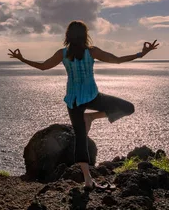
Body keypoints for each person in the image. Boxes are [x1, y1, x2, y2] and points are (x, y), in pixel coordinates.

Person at [8, 20, 158, 190]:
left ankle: (91, 124)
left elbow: (43, 67)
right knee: (114, 116)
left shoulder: (64, 53)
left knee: (86, 135)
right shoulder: (90, 52)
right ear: (85, 35)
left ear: (68, 36)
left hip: (77, 100)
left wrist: (22, 59)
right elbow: (117, 60)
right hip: (88, 98)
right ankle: (88, 178)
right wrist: (141, 54)